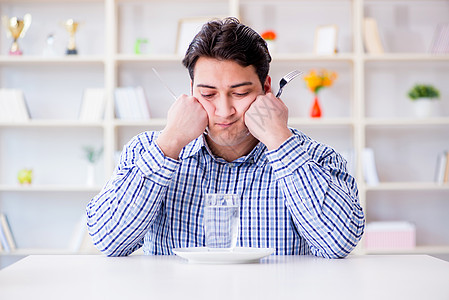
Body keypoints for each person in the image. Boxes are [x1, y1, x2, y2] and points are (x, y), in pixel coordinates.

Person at [86, 17, 365, 259]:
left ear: (266, 88)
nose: (224, 111)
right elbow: (108, 241)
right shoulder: (147, 150)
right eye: (207, 94)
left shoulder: (316, 158)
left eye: (240, 93)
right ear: (191, 90)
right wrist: (169, 143)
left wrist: (281, 141)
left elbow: (338, 244)